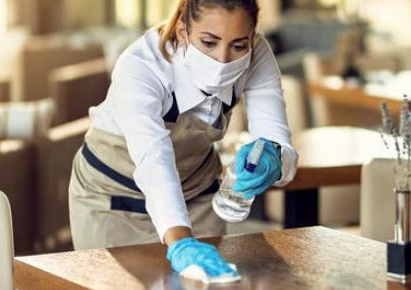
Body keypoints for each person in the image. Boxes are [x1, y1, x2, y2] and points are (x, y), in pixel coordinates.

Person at [68, 0, 297, 277]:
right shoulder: (140, 67)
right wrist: (181, 242)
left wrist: (274, 158)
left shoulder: (257, 54)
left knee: (210, 281)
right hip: (112, 199)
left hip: (197, 193)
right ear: (181, 31)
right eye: (209, 42)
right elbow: (154, 159)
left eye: (238, 45)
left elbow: (276, 139)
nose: (223, 60)